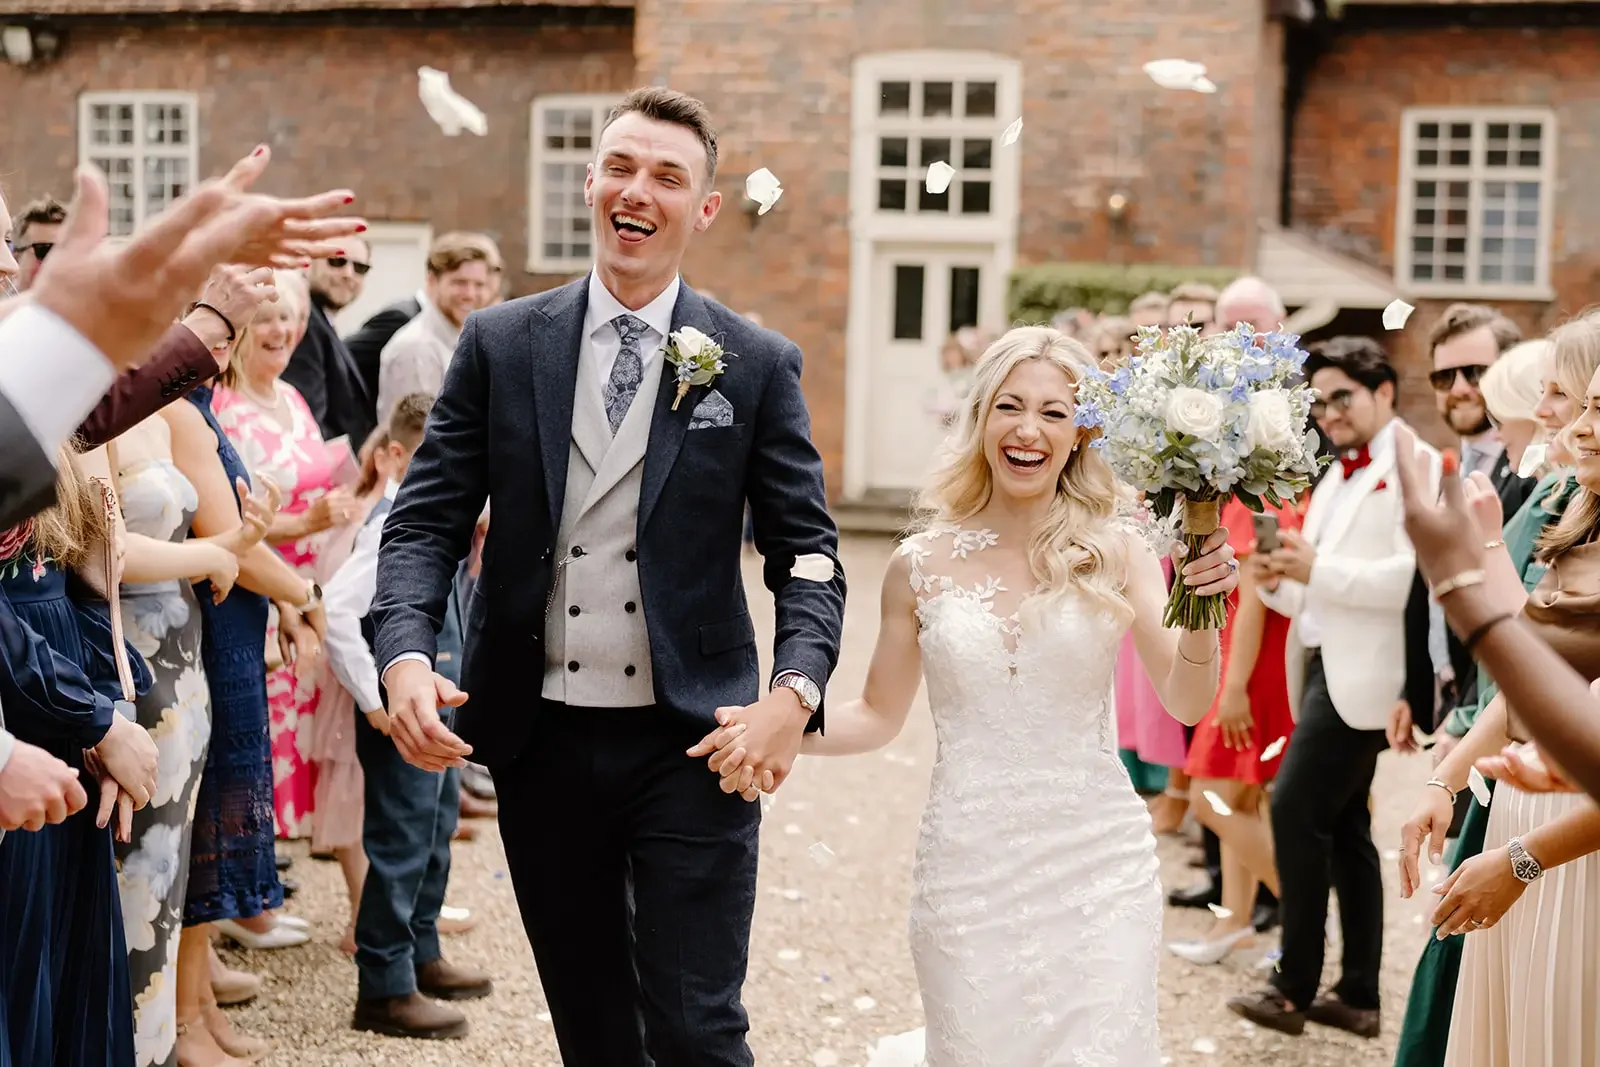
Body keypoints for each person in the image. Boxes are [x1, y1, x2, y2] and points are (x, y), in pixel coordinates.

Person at [370, 87, 845, 1060]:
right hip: (539, 740)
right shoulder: (502, 344)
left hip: (694, 741)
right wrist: (404, 653)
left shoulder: (751, 361)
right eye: (620, 167)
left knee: (697, 1022)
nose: (638, 190)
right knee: (591, 1023)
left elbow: (808, 553)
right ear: (591, 183)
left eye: (667, 176)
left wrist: (792, 694)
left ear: (703, 209)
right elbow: (424, 518)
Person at [696, 325, 1237, 1062]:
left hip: (1098, 865)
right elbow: (878, 714)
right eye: (1010, 406)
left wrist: (1203, 615)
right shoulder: (918, 564)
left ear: (1081, 432)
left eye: (1054, 412)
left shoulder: (1120, 549)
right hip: (968, 866)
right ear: (980, 418)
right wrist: (779, 724)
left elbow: (1186, 699)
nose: (1028, 429)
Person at [1228, 337, 1440, 1038]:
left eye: (1341, 396)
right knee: (1346, 828)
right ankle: (1356, 996)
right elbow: (1319, 586)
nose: (1327, 412)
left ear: (1384, 392)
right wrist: (1279, 583)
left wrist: (1314, 569)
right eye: (1317, 401)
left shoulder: (1410, 465)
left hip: (1370, 676)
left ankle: (1292, 985)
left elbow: (1412, 581)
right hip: (1321, 664)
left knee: (1292, 804)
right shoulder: (1338, 473)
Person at [323, 394, 488, 1037]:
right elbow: (337, 613)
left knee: (435, 827)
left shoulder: (440, 522)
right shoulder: (390, 525)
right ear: (393, 457)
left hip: (434, 710)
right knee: (400, 839)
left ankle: (423, 951)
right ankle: (385, 986)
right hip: (402, 713)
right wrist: (374, 700)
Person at [374, 232, 498, 423]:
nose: (470, 294)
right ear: (432, 281)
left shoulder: (459, 339)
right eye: (460, 282)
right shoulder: (417, 349)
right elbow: (419, 437)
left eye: (479, 284)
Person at [280, 242, 376, 447]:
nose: (348, 274)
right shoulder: (304, 323)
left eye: (360, 268)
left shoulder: (323, 321)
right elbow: (308, 417)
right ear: (308, 263)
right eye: (337, 261)